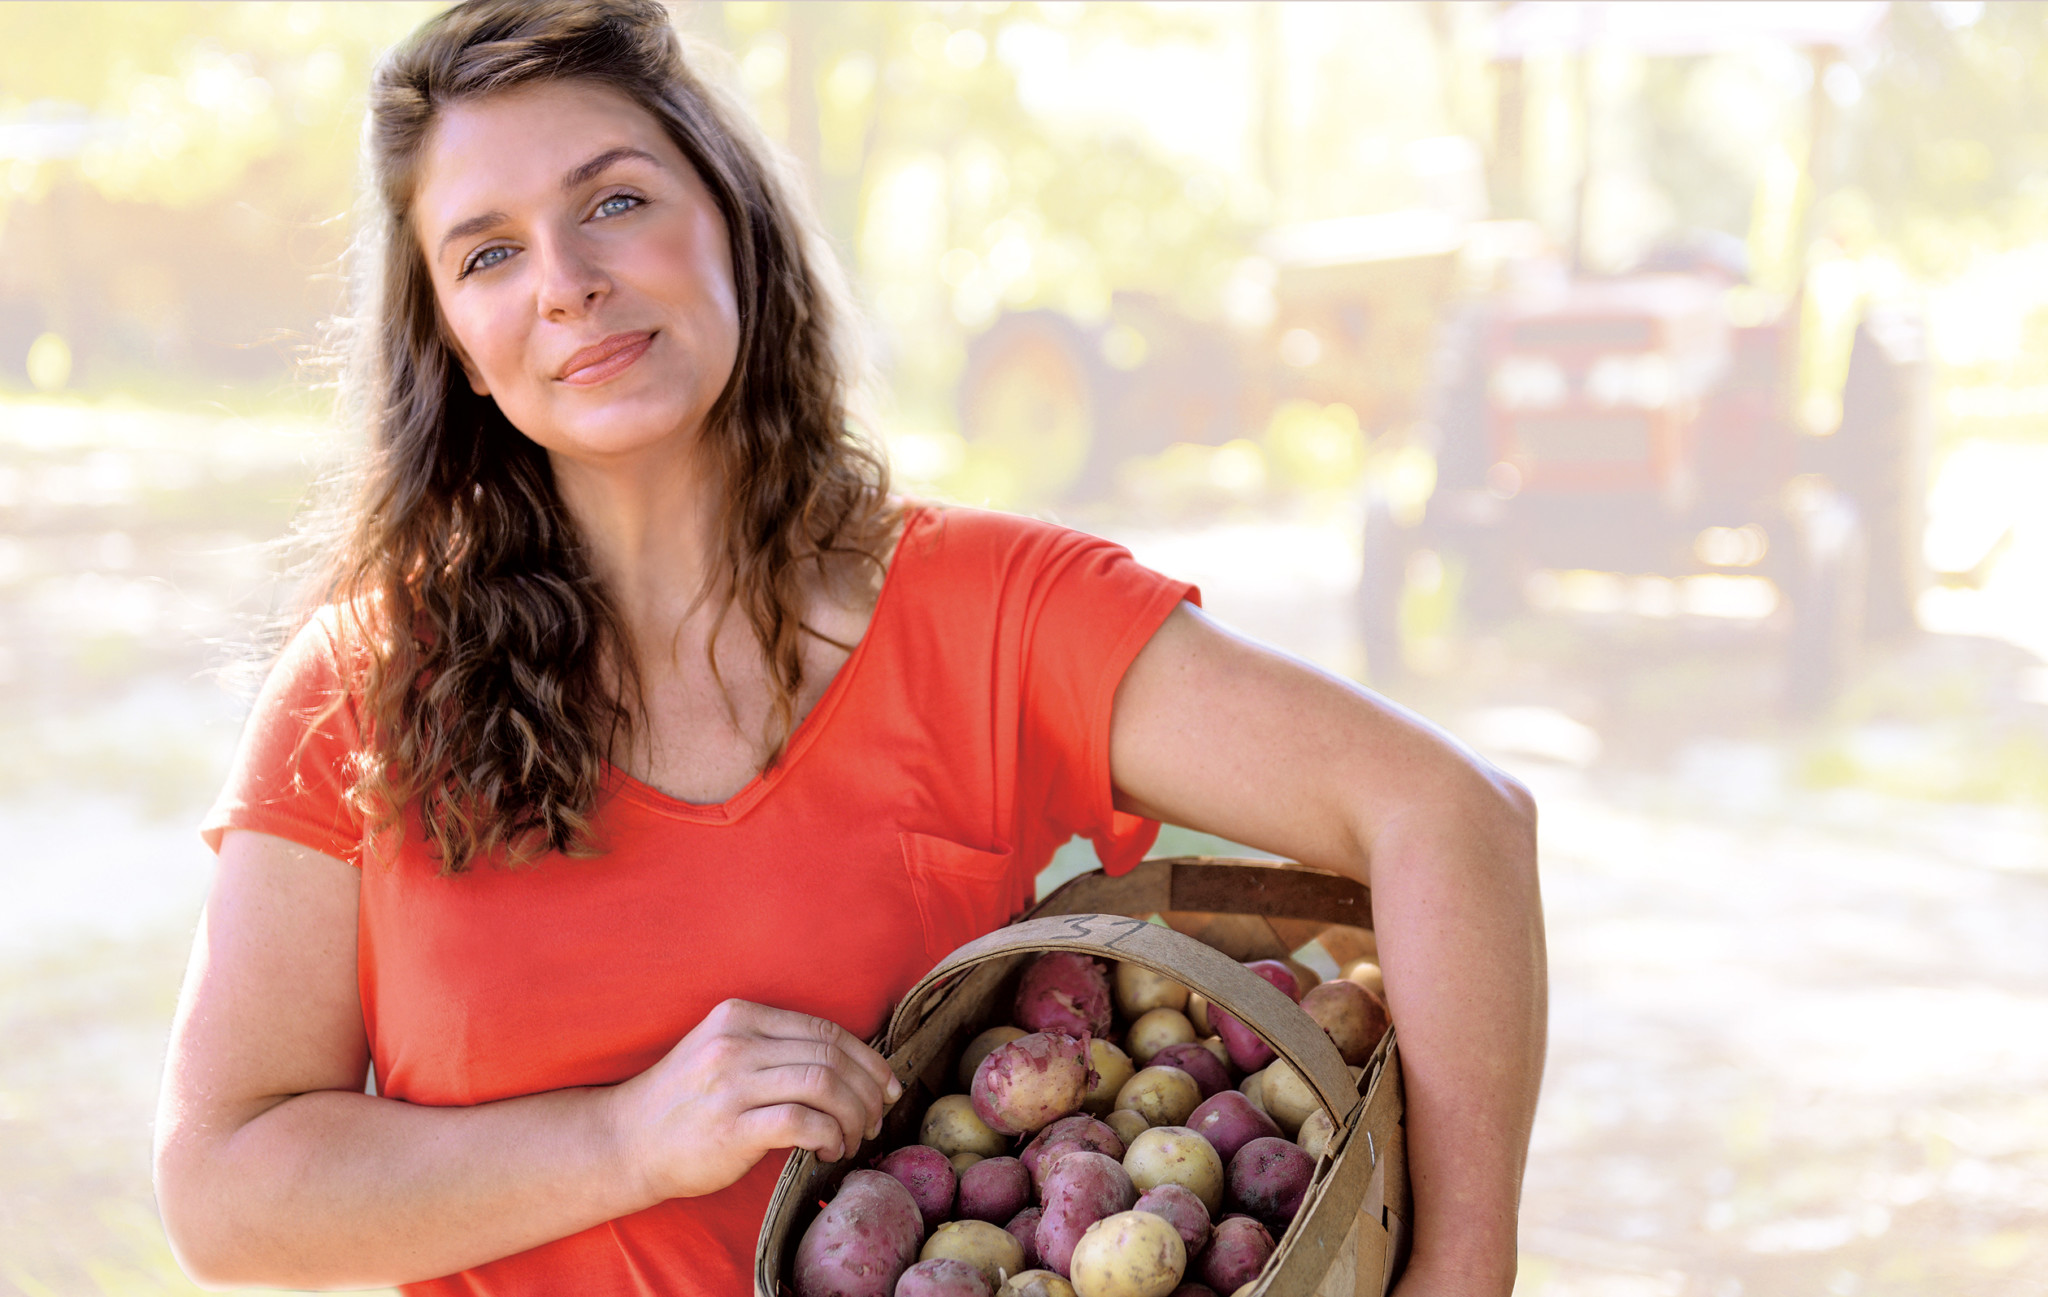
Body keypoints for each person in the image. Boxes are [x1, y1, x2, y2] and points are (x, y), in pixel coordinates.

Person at [152, 3, 1545, 1295]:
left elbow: (1450, 814)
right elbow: (224, 1191)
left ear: (732, 222)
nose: (568, 282)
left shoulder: (991, 612)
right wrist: (630, 1138)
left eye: (617, 201)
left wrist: (1456, 1273)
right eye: (490, 252)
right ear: (451, 339)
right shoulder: (365, 690)